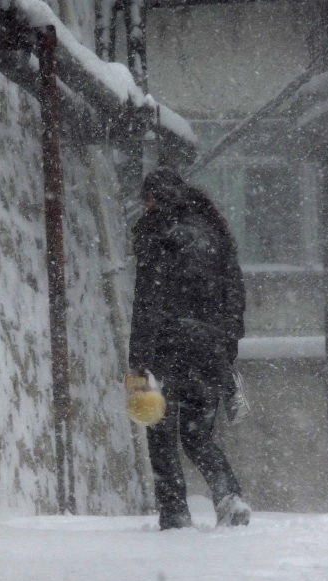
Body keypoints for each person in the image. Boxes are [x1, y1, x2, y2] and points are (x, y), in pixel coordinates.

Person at [129, 166, 251, 530]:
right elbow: (235, 293)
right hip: (208, 348)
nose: (145, 206)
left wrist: (139, 362)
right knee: (197, 434)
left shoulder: (158, 234)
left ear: (155, 198)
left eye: (146, 199)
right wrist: (226, 344)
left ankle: (175, 514)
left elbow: (147, 301)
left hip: (168, 346)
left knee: (159, 430)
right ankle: (229, 498)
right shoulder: (214, 232)